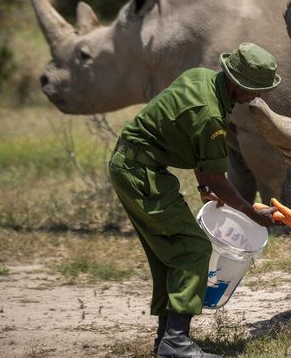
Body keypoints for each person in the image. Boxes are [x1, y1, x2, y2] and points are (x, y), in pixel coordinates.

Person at [108, 43, 281, 358]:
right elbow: (219, 177)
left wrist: (203, 185)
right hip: (141, 174)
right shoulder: (211, 116)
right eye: (256, 90)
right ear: (239, 84)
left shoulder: (201, 77)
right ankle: (176, 343)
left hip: (133, 165)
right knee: (193, 250)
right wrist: (251, 212)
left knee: (170, 255)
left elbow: (195, 148)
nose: (259, 96)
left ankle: (166, 339)